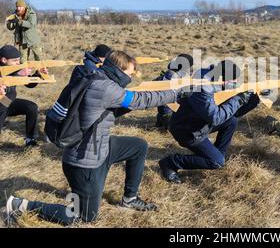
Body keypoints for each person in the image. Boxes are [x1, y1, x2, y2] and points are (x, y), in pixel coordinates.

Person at [5, 51, 184, 225]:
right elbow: (139, 100)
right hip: (83, 161)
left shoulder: (97, 76)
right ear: (118, 70)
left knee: (138, 146)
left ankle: (130, 198)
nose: (131, 78)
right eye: (129, 74)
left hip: (100, 147)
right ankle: (20, 205)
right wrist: (177, 93)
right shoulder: (104, 87)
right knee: (84, 217)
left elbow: (107, 111)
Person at [159, 60, 261, 184]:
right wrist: (239, 99)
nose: (233, 84)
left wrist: (254, 98)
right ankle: (171, 163)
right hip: (188, 130)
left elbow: (234, 113)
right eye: (231, 81)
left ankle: (217, 154)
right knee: (216, 162)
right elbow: (216, 117)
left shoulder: (216, 80)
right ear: (222, 78)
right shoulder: (202, 88)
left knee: (231, 121)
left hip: (200, 124)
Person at [0, 45, 47, 147]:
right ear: (4, 60)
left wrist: (37, 74)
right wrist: (19, 75)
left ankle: (30, 139)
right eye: (15, 60)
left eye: (19, 60)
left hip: (8, 102)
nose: (18, 63)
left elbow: (30, 84)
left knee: (32, 107)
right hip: (1, 104)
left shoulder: (16, 67)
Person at [154, 54, 194, 130]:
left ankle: (162, 119)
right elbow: (174, 93)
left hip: (167, 106)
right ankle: (165, 121)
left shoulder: (177, 70)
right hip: (168, 107)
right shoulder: (172, 75)